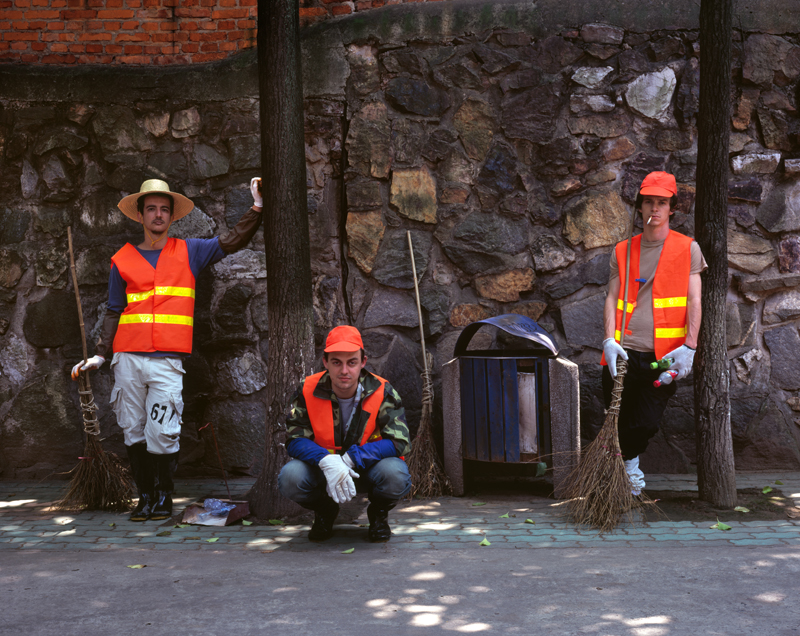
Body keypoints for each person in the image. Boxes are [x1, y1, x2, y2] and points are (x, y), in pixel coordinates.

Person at [71, 177, 265, 521]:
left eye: (164, 209)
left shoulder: (191, 251)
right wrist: (101, 354)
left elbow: (232, 240)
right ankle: (145, 497)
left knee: (163, 431)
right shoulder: (122, 259)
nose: (158, 214)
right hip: (127, 359)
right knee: (133, 430)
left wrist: (257, 206)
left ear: (172, 216)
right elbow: (114, 309)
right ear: (140, 215)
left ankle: (164, 496)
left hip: (166, 362)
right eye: (151, 209)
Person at [601, 171, 706, 495]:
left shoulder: (687, 249)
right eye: (649, 202)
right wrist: (608, 340)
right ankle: (623, 475)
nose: (655, 208)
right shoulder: (622, 250)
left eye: (662, 202)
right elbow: (612, 297)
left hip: (663, 357)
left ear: (672, 208)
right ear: (641, 206)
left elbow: (694, 300)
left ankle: (627, 465)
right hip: (622, 352)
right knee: (616, 420)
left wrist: (690, 347)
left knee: (645, 422)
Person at [278, 325, 412, 542]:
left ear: (363, 362)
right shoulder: (307, 389)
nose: (344, 371)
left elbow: (400, 441)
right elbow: (294, 439)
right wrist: (325, 460)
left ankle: (378, 515)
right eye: (336, 362)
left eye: (352, 362)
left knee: (396, 474)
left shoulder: (382, 390)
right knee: (290, 478)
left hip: (367, 468)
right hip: (323, 469)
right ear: (325, 362)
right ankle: (325, 511)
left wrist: (352, 458)